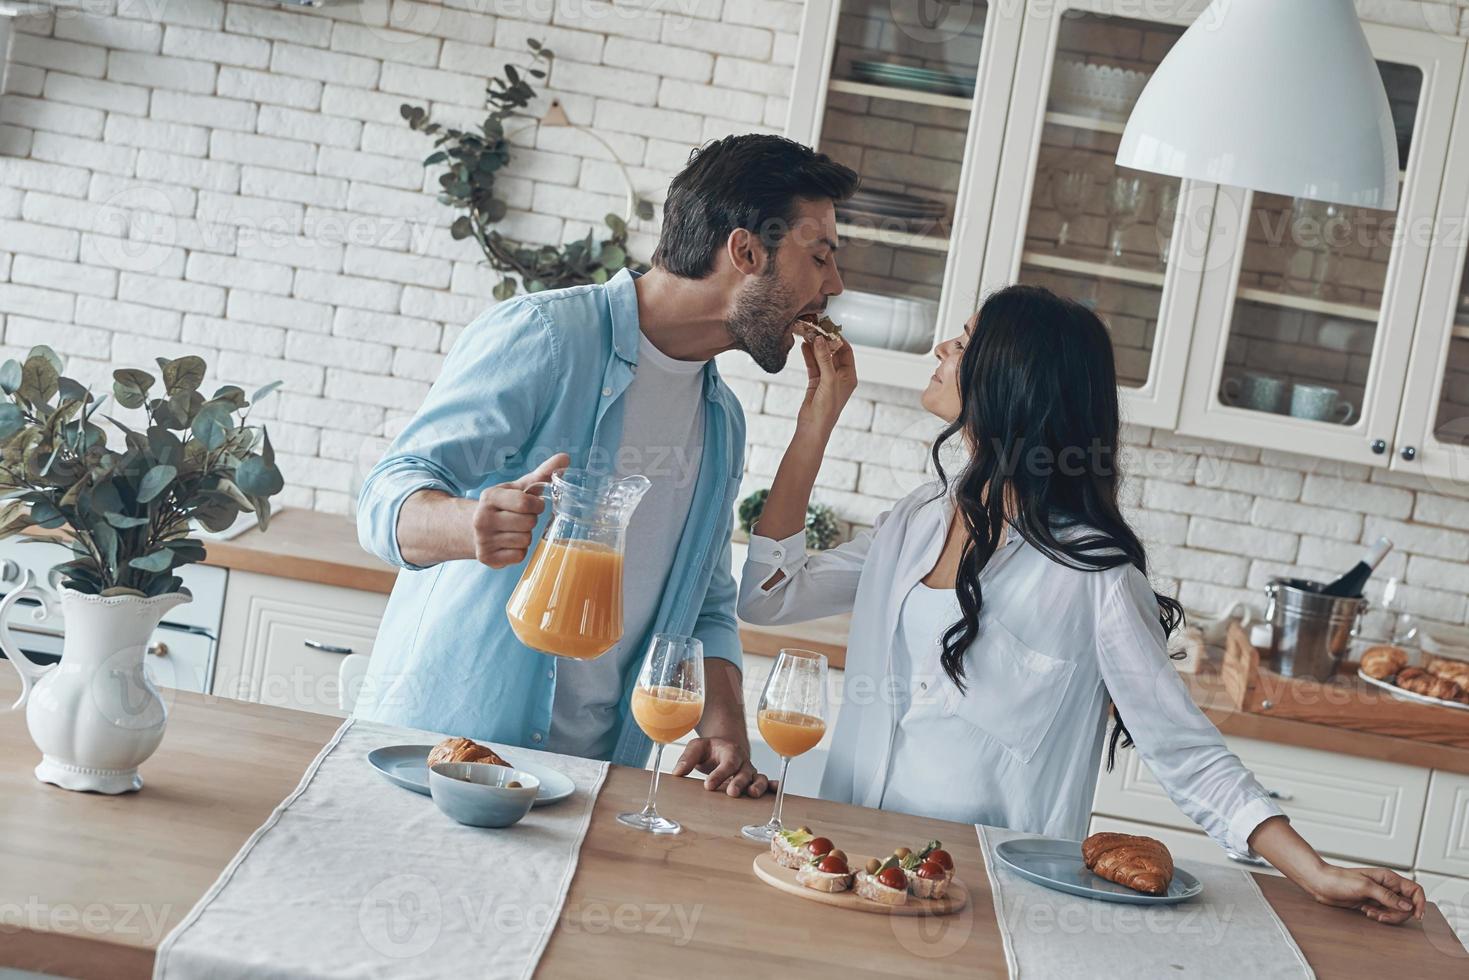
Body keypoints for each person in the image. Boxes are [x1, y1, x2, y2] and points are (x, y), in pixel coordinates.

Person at [738, 284, 1426, 923]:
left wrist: (1313, 872)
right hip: (849, 866)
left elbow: (1180, 746)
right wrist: (816, 418)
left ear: (1017, 382)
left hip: (979, 897)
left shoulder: (1092, 573)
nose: (944, 349)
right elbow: (770, 597)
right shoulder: (918, 517)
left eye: (967, 340)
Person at [355, 134, 857, 796]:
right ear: (744, 251)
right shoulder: (546, 338)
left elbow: (703, 600)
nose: (833, 285)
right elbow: (384, 498)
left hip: (592, 777)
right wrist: (466, 523)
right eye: (819, 256)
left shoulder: (720, 420)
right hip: (445, 755)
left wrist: (726, 727)